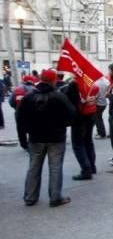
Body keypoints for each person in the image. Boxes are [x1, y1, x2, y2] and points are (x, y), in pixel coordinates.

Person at [16, 69, 75, 207]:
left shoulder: (28, 97)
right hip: (56, 137)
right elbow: (72, 115)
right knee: (55, 167)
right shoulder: (59, 97)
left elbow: (20, 119)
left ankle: (30, 197)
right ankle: (55, 197)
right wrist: (63, 124)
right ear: (54, 81)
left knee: (34, 167)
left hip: (35, 137)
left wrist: (23, 139)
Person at [62, 79, 97, 180]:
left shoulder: (75, 83)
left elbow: (68, 99)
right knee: (88, 141)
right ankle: (92, 167)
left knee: (78, 145)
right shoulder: (90, 81)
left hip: (80, 117)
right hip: (90, 115)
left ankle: (86, 170)